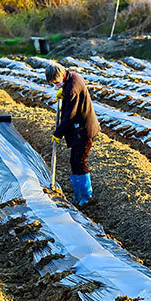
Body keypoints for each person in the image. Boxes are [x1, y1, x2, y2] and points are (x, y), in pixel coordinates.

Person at [46, 62, 100, 206]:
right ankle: (78, 195)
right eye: (53, 84)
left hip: (84, 129)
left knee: (80, 161)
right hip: (79, 127)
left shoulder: (72, 90)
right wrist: (63, 92)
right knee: (74, 161)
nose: (56, 86)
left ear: (63, 76)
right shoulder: (72, 78)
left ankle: (86, 196)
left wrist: (58, 133)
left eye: (57, 83)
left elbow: (69, 116)